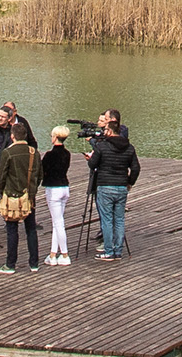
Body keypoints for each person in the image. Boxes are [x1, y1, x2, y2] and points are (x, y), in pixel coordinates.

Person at [86, 109, 140, 260]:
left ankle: (108, 251)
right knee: (120, 220)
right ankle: (118, 251)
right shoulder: (129, 147)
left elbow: (93, 164)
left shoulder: (102, 146)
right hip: (121, 186)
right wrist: (130, 182)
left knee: (107, 220)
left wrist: (90, 159)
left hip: (105, 185)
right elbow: (136, 168)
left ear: (109, 131)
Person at [0, 124, 43, 272]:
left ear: (12, 136)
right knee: (31, 229)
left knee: (12, 230)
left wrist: (2, 193)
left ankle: (10, 264)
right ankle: (34, 263)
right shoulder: (34, 152)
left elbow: (1, 176)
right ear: (25, 135)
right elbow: (39, 175)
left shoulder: (8, 152)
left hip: (12, 196)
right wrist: (32, 190)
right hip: (29, 197)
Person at [40, 129, 74, 266]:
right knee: (57, 222)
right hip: (64, 187)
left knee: (59, 223)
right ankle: (53, 254)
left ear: (55, 138)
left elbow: (42, 170)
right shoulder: (67, 154)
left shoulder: (50, 155)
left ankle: (65, 255)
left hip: (53, 189)